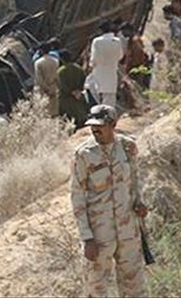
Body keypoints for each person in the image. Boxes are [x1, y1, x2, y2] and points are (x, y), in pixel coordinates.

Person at [70, 104, 148, 298]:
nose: (95, 129)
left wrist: (140, 203)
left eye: (100, 125)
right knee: (95, 289)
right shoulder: (84, 154)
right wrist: (87, 238)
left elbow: (135, 179)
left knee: (134, 288)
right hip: (100, 234)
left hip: (128, 230)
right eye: (92, 126)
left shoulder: (129, 147)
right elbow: (77, 197)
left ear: (113, 124)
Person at [89, 21, 123, 108]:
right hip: (112, 71)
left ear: (100, 31)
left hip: (99, 71)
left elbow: (94, 58)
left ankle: (97, 111)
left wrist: (91, 65)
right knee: (110, 96)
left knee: (93, 91)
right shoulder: (117, 41)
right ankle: (108, 115)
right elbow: (120, 56)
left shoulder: (96, 41)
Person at [57, 50, 88, 127]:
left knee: (66, 116)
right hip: (77, 96)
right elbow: (84, 79)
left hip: (65, 98)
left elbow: (61, 85)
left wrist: (70, 91)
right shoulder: (78, 68)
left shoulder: (60, 71)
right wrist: (78, 90)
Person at [34, 42, 60, 116]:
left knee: (44, 111)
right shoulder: (55, 61)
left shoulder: (38, 63)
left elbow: (39, 79)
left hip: (43, 90)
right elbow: (57, 76)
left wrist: (46, 88)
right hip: (54, 87)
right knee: (54, 111)